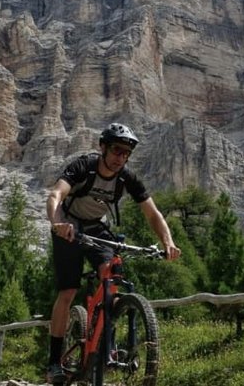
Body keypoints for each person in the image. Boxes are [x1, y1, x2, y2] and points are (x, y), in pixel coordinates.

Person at [44, 122, 181, 384]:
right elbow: (56, 195)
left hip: (96, 227)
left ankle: (106, 340)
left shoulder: (126, 178)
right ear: (103, 147)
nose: (121, 157)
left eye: (126, 153)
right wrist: (57, 223)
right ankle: (53, 363)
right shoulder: (84, 166)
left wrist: (168, 242)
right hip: (68, 225)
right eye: (117, 150)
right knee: (68, 292)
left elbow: (153, 214)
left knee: (112, 273)